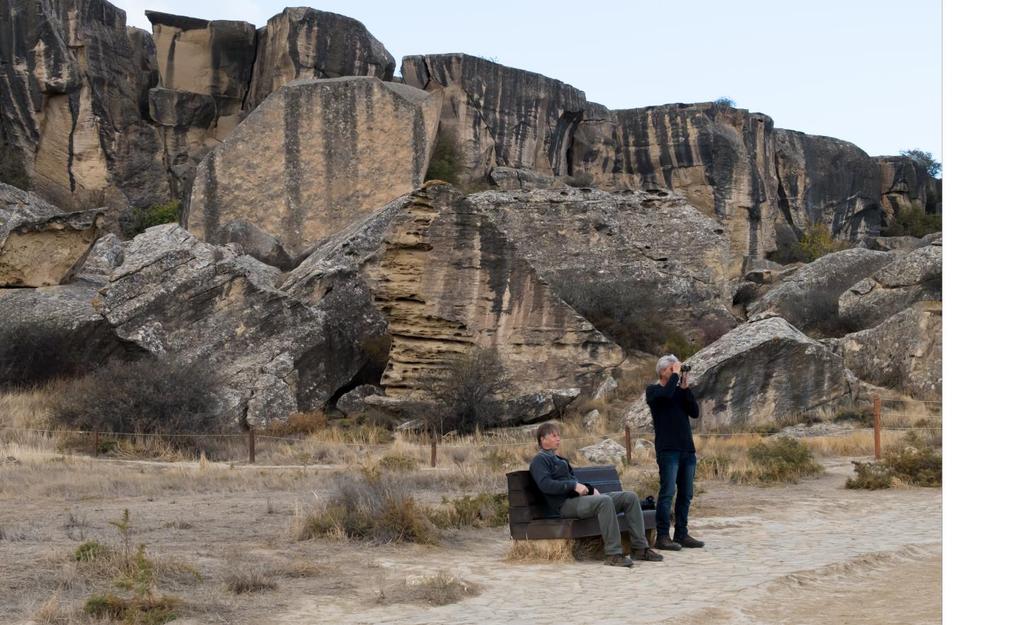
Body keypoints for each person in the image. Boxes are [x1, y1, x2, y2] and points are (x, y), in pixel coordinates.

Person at [528, 422, 662, 567]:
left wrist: (590, 490)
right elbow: (546, 485)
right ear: (542, 439)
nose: (558, 438)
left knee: (629, 497)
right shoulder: (539, 460)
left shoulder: (559, 459)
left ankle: (640, 548)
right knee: (604, 502)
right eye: (554, 436)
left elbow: (575, 483)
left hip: (579, 500)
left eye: (559, 435)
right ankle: (613, 554)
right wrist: (573, 485)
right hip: (564, 506)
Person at [646, 354, 704, 550]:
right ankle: (662, 536)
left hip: (686, 449)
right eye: (672, 369)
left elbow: (694, 412)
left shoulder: (678, 391)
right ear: (663, 371)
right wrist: (675, 376)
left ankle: (681, 533)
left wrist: (686, 389)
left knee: (686, 494)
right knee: (667, 492)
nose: (676, 373)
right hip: (668, 449)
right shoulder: (653, 391)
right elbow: (666, 395)